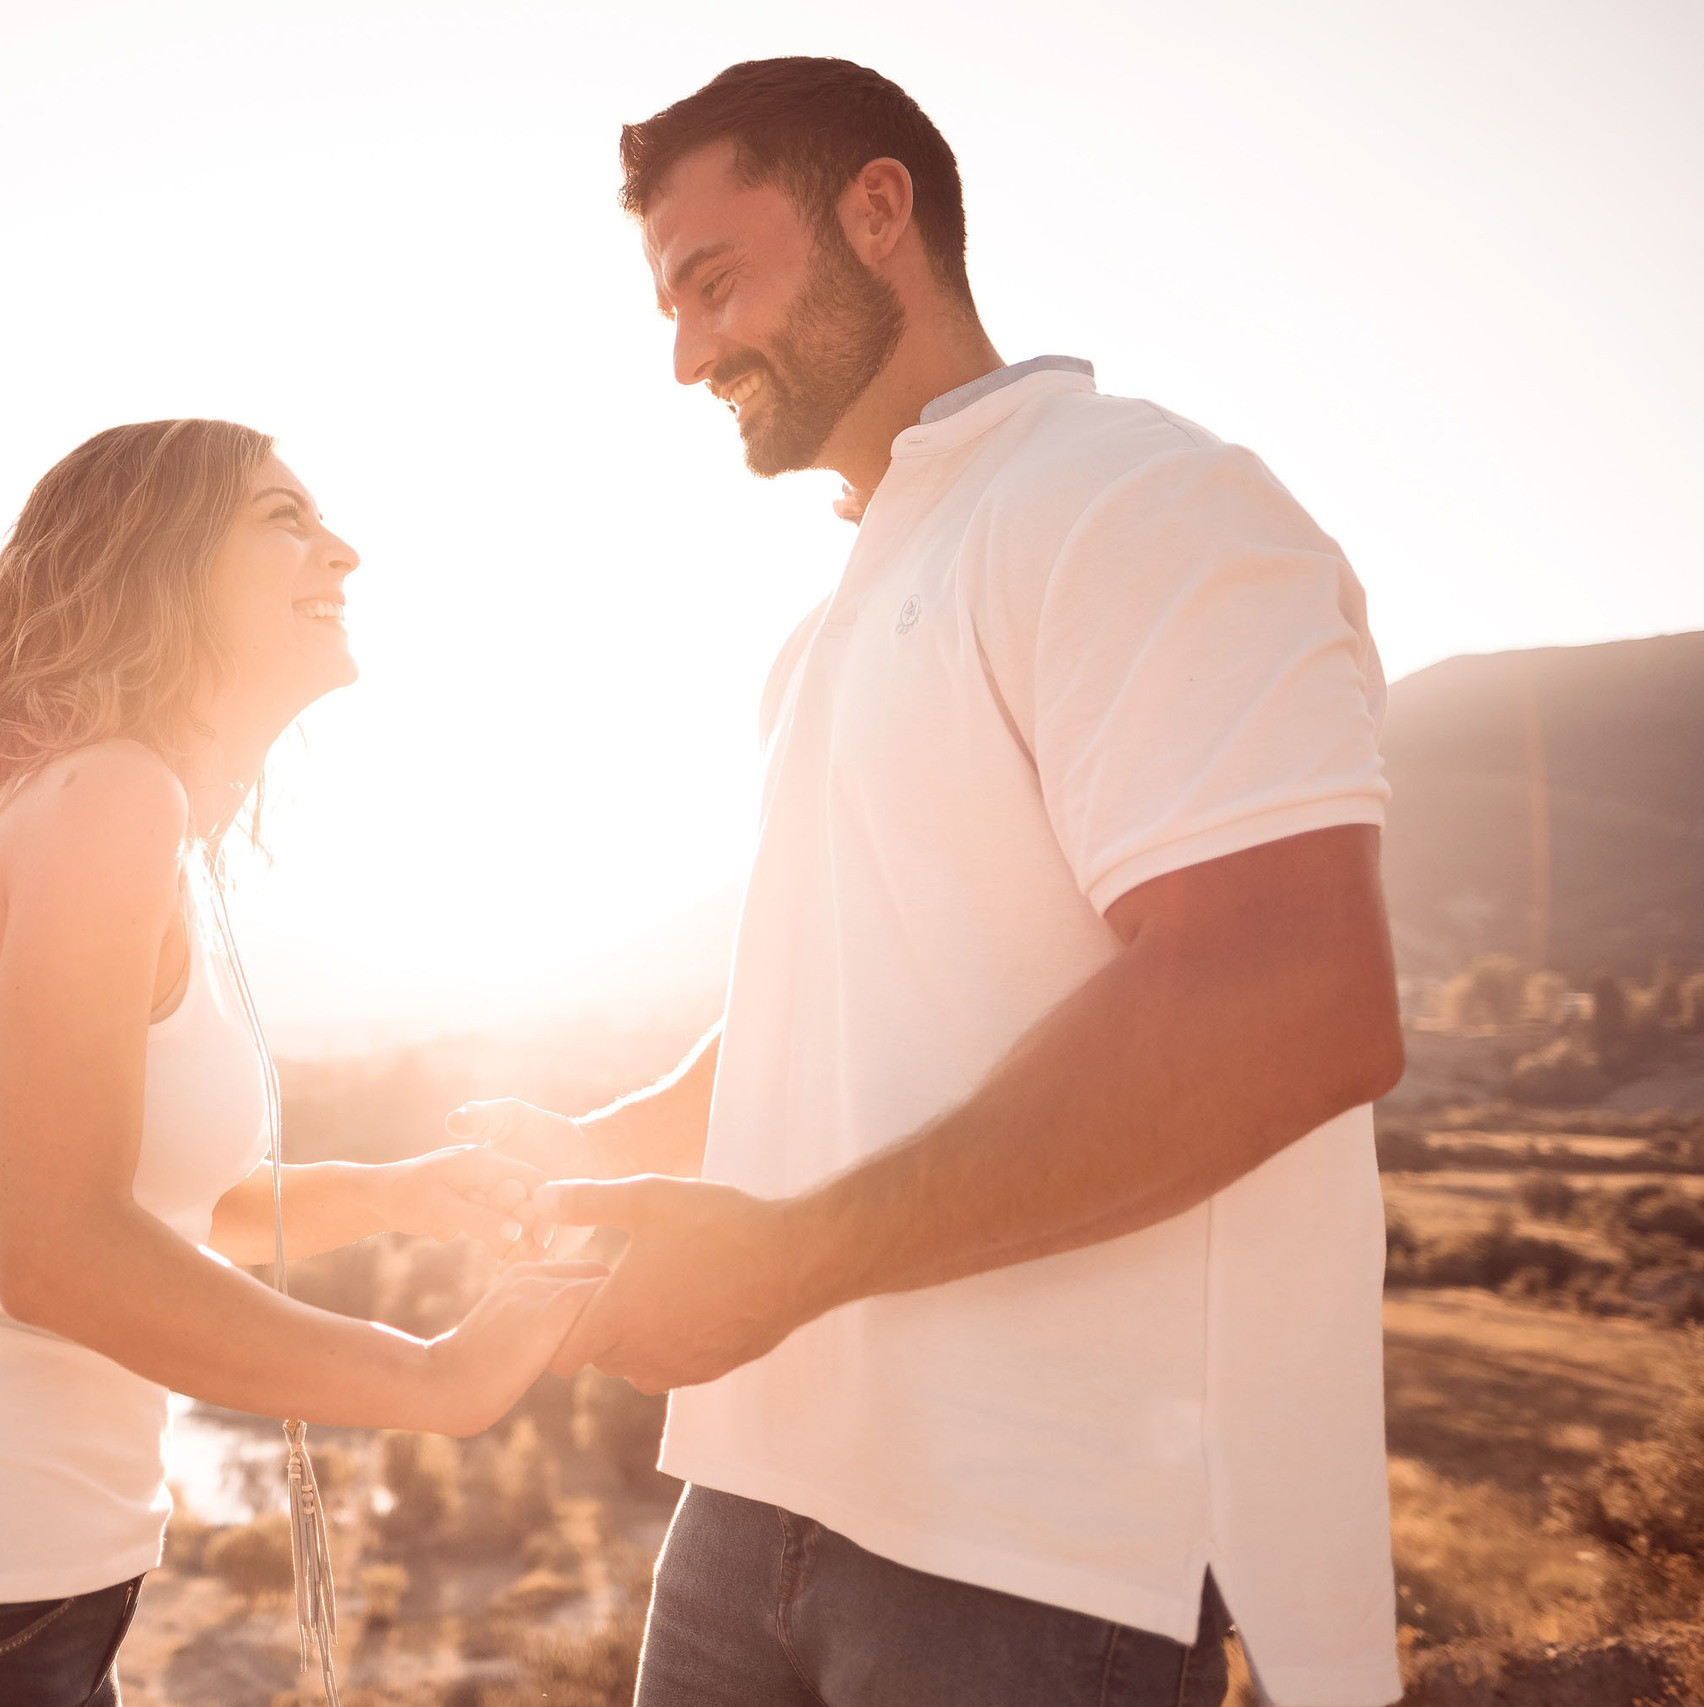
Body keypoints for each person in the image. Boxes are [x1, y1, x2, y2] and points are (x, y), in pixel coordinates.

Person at [451, 57, 1404, 1707]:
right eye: (665, 307)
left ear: (877, 210)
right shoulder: (826, 630)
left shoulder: (1136, 498)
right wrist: (616, 1149)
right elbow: (841, 1001)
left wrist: (790, 1258)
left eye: (712, 279)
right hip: (757, 1497)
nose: (685, 355)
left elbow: (1294, 999)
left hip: (1041, 1542)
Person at [0, 419, 604, 1707]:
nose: (343, 551)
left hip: (8, 1611)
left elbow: (157, 1215)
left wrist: (396, 1192)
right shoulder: (112, 803)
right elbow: (66, 1257)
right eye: (284, 519)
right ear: (162, 567)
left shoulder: (154, 826)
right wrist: (432, 1381)